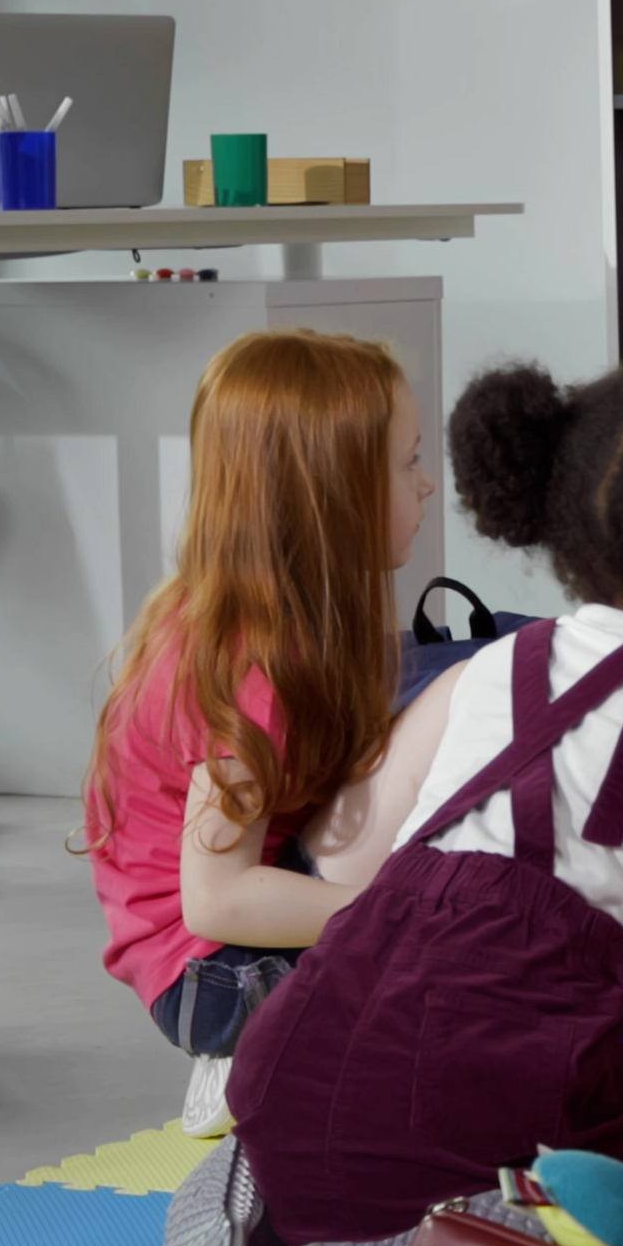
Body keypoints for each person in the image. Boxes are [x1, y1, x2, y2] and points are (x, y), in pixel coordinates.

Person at [226, 362, 623, 1244]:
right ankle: (517, 1238)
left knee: (415, 1127)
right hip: (491, 1096)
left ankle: (331, 1229)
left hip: (288, 1079)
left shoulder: (499, 663)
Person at [83, 330, 434, 1137]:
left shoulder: (246, 619)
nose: (427, 482)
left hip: (207, 963)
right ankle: (255, 1056)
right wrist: (401, 912)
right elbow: (218, 898)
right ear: (332, 493)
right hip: (214, 981)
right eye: (408, 462)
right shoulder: (255, 666)